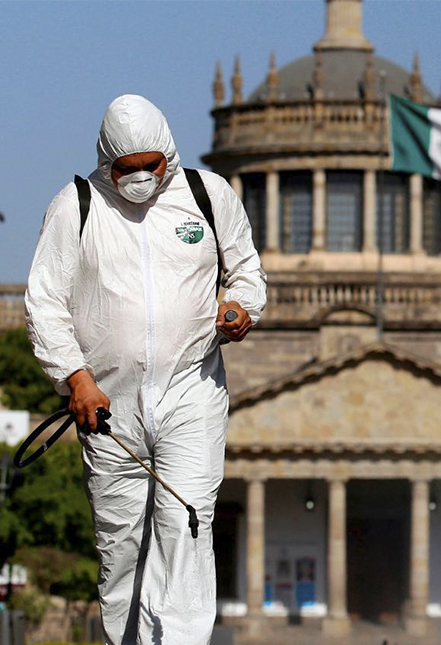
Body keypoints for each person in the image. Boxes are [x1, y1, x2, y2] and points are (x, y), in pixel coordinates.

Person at [24, 94, 266, 645]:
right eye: (125, 168)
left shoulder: (207, 195)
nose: (138, 178)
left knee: (186, 522)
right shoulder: (77, 205)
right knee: (121, 545)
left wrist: (240, 308)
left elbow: (247, 269)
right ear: (106, 158)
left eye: (149, 166)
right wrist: (75, 377)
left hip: (191, 391)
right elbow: (44, 301)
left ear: (169, 155)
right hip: (109, 407)